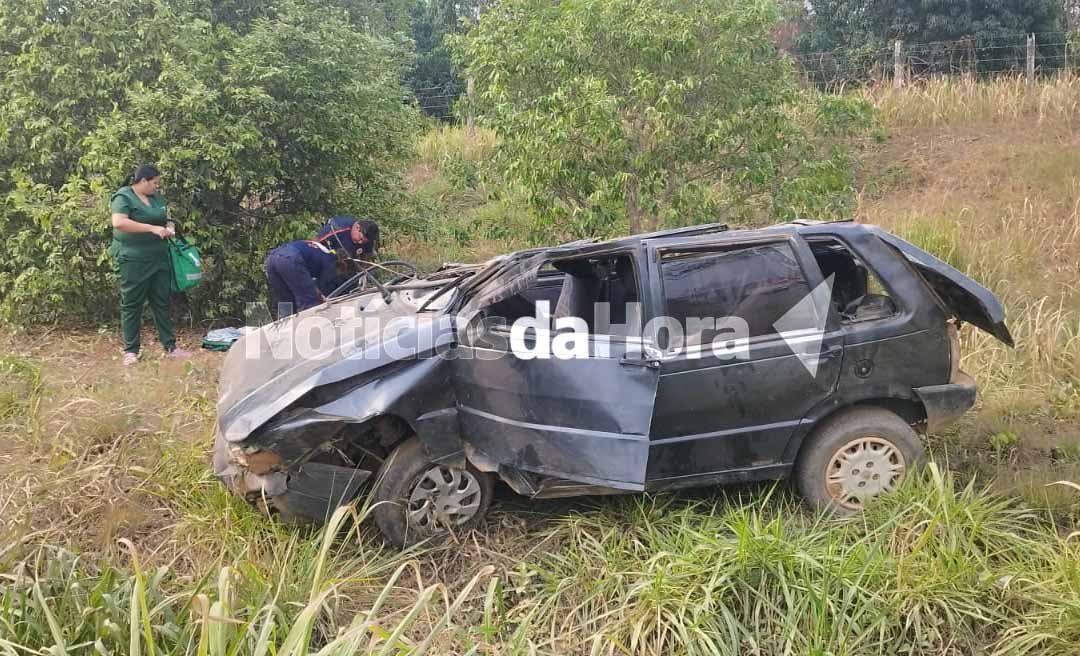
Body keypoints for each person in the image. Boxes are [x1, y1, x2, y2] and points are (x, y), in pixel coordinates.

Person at [109, 164, 191, 366]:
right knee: (132, 303)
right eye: (154, 182)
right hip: (133, 259)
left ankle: (170, 347)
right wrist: (152, 229)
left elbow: (166, 218)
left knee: (161, 301)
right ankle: (131, 351)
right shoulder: (123, 197)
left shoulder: (156, 198)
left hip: (159, 258)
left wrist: (169, 227)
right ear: (143, 181)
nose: (157, 186)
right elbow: (119, 222)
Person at [265, 239, 350, 318]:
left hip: (272, 259)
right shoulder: (330, 260)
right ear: (343, 262)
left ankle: (286, 330)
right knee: (310, 303)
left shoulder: (321, 250)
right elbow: (322, 287)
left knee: (286, 303)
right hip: (291, 258)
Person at [315, 216, 379, 260]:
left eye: (363, 242)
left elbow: (366, 257)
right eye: (360, 238)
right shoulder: (337, 227)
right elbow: (314, 243)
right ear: (357, 227)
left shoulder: (368, 240)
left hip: (347, 265)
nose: (360, 242)